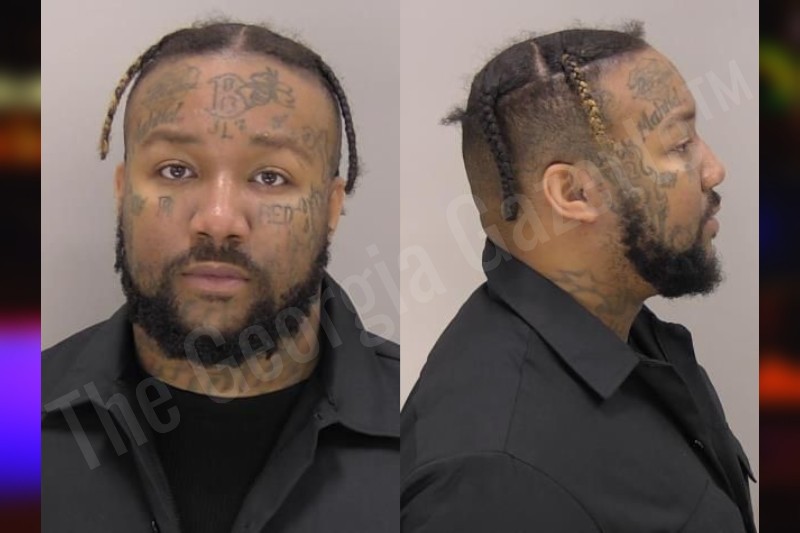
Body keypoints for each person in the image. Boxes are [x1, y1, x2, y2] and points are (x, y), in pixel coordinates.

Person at [42, 21, 398, 533]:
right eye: (176, 170)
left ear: (330, 207)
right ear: (122, 192)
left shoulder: (424, 428)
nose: (218, 220)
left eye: (270, 177)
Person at [401, 24, 756, 532]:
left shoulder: (631, 332)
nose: (714, 169)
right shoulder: (492, 474)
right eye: (680, 144)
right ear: (574, 192)